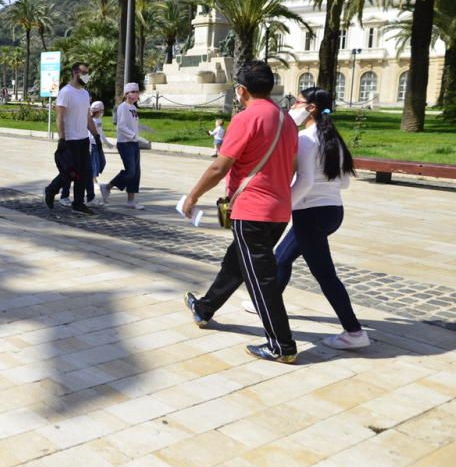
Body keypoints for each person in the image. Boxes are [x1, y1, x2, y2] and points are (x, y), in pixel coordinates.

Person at [180, 60, 299, 363]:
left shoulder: (247, 119)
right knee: (236, 262)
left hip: (252, 211)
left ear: (242, 90)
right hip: (278, 210)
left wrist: (192, 196)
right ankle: (205, 308)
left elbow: (221, 165)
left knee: (261, 279)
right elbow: (293, 165)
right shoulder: (287, 120)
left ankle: (281, 345)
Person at [244, 87, 368, 349]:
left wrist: (283, 205)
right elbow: (344, 183)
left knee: (325, 274)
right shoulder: (334, 138)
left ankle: (355, 332)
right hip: (333, 212)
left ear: (311, 108)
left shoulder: (306, 139)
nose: (293, 107)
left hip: (310, 214)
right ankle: (266, 305)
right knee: (282, 258)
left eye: (297, 102)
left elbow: (306, 181)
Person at [44, 62, 101, 215]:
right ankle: (51, 190)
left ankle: (78, 203)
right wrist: (62, 138)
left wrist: (96, 135)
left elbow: (87, 118)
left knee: (84, 173)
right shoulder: (66, 92)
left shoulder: (84, 93)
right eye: (84, 72)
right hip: (70, 140)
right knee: (70, 172)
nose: (87, 76)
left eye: (88, 73)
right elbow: (59, 117)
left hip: (83, 139)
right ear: (75, 72)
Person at [100, 82, 151, 209]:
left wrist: (143, 128)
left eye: (137, 92)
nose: (135, 94)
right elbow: (121, 126)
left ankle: (131, 201)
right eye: (132, 92)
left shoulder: (133, 108)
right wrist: (134, 136)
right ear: (126, 94)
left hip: (133, 144)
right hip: (125, 143)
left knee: (136, 172)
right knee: (130, 171)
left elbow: (132, 124)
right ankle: (107, 187)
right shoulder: (123, 107)